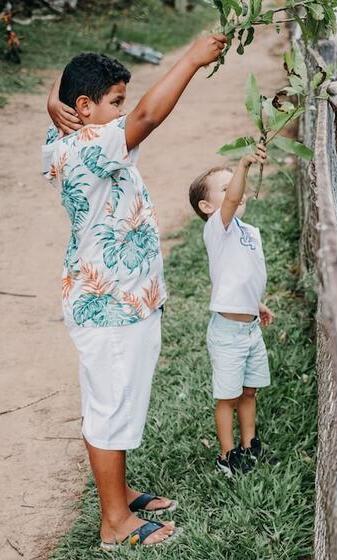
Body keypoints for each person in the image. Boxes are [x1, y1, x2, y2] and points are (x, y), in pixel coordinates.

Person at [41, 34, 227, 549]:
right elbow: (148, 116)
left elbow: (82, 94)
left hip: (115, 298)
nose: (124, 113)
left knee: (116, 400)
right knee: (110, 408)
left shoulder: (57, 140)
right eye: (115, 102)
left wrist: (49, 100)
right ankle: (114, 522)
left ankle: (117, 492)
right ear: (84, 108)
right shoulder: (90, 146)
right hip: (112, 306)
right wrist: (190, 57)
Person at [188, 143, 274, 477]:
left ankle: (250, 444)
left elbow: (244, 275)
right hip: (227, 334)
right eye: (225, 188)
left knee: (249, 391)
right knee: (228, 396)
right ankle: (226, 454)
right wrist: (243, 165)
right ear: (207, 206)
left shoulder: (249, 232)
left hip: (250, 330)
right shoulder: (217, 229)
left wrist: (257, 304)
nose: (235, 191)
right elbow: (235, 199)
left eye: (233, 183)